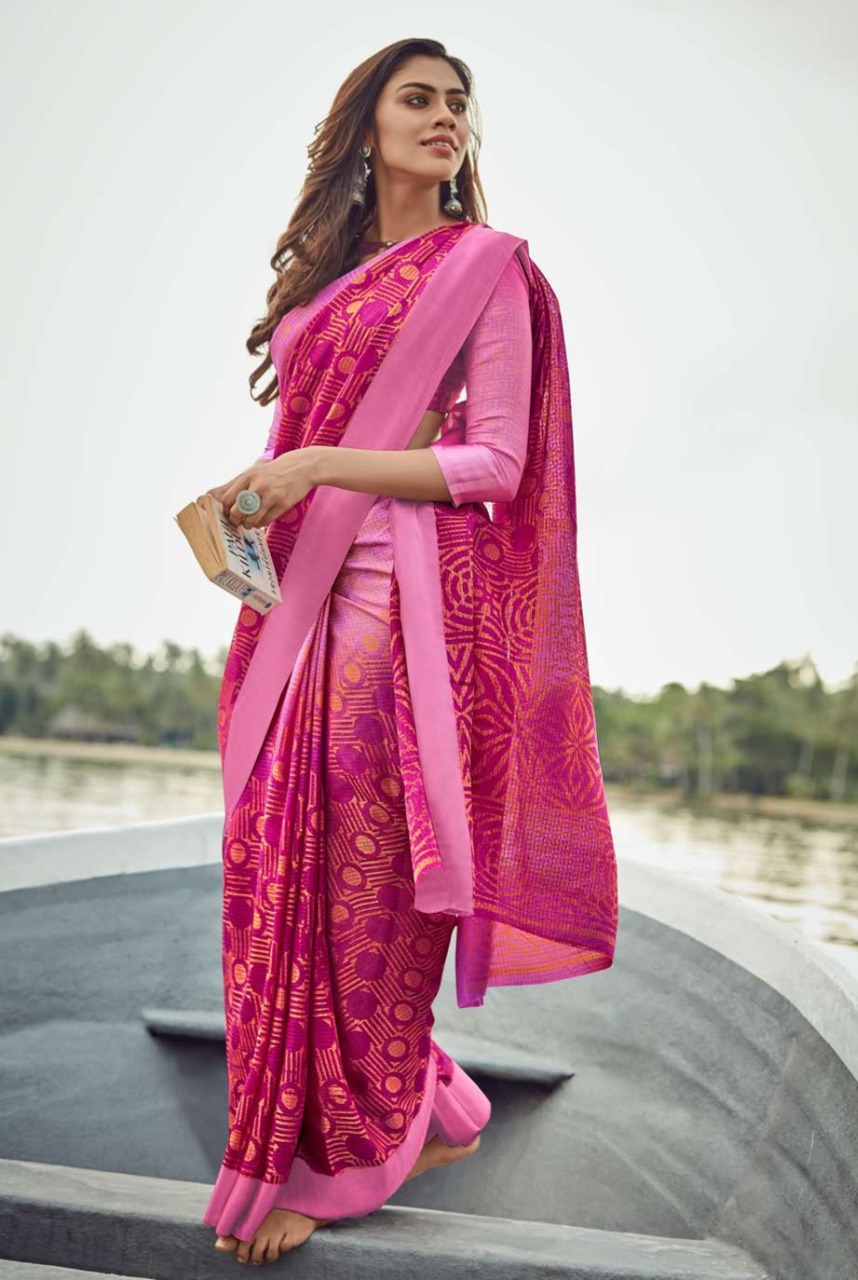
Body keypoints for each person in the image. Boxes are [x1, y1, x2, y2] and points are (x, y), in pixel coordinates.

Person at [201, 37, 619, 1268]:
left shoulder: (486, 271)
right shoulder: (325, 293)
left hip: (400, 607)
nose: (445, 118)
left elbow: (495, 461)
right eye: (418, 99)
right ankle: (432, 1101)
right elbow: (300, 443)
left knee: (365, 870)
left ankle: (342, 1158)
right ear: (366, 127)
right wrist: (255, 494)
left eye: (457, 104)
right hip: (294, 605)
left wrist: (319, 465)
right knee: (267, 860)